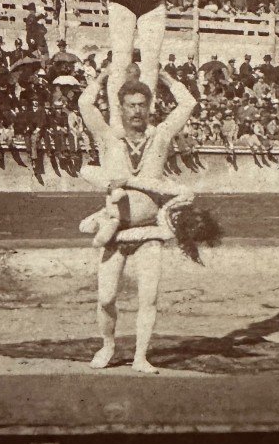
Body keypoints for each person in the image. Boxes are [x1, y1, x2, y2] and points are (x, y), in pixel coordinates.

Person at [77, 65, 198, 374]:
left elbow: (188, 104)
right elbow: (84, 105)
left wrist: (166, 77)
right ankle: (107, 345)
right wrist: (103, 76)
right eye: (130, 105)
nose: (136, 111)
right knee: (105, 298)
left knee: (149, 297)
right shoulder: (107, 137)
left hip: (149, 232)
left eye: (142, 105)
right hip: (116, 230)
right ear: (121, 107)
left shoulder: (160, 138)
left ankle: (141, 356)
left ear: (149, 107)